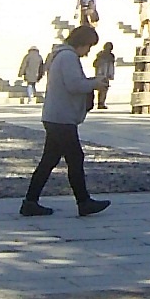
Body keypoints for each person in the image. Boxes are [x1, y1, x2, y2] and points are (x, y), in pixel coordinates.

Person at [20, 23, 110, 218]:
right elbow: (74, 85)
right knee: (75, 158)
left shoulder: (60, 55)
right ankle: (83, 201)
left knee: (49, 160)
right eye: (88, 46)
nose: (88, 51)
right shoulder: (68, 57)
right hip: (62, 117)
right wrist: (95, 83)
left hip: (55, 115)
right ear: (82, 43)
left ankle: (30, 201)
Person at [93, 41, 117, 110]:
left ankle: (101, 102)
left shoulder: (108, 55)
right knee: (102, 88)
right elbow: (96, 64)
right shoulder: (102, 55)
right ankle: (101, 103)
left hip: (103, 73)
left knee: (103, 89)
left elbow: (111, 66)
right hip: (102, 73)